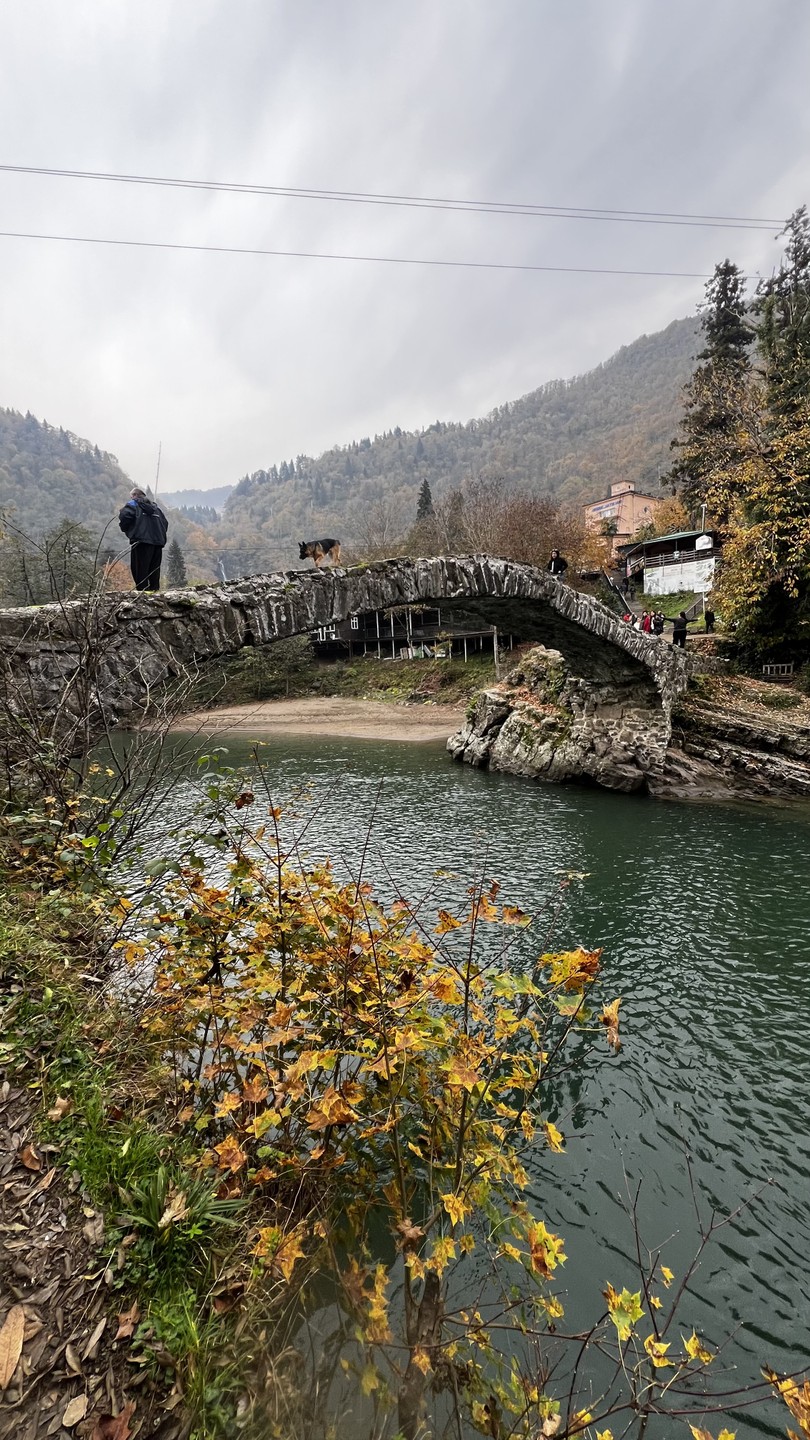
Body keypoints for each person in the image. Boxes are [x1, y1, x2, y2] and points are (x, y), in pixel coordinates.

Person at [118, 486, 169, 592]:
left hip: (141, 541)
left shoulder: (133, 505)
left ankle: (142, 594)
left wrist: (129, 531)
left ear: (135, 495)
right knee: (154, 570)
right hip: (158, 543)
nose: (131, 498)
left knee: (140, 570)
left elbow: (124, 518)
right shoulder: (156, 508)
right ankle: (155, 593)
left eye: (132, 496)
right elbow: (165, 524)